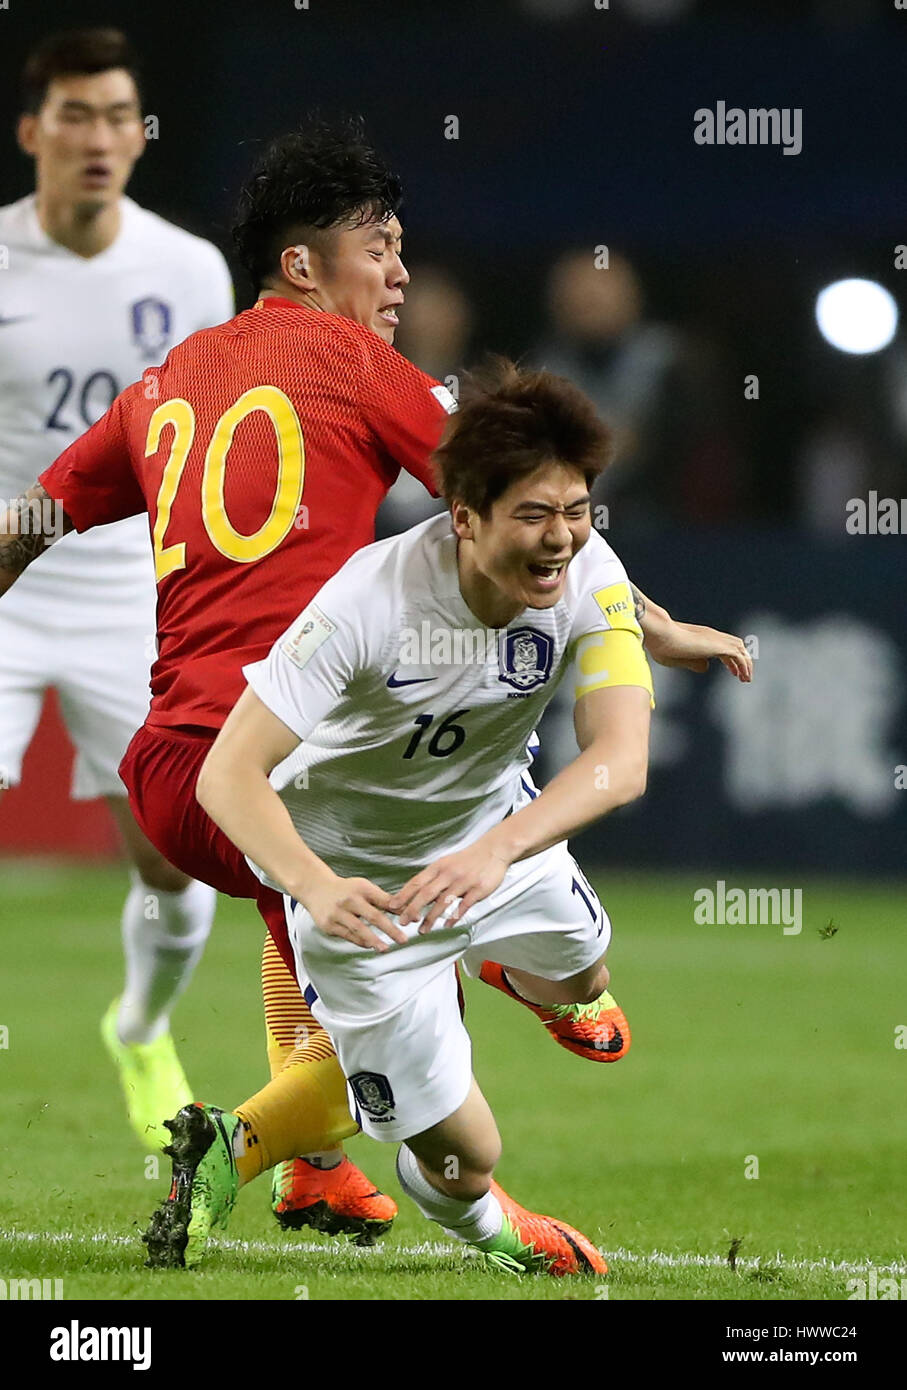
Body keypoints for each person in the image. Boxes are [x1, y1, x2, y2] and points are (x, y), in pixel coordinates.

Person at [0, 121, 752, 1253]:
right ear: (302, 266)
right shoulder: (354, 364)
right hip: (289, 765)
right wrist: (648, 624)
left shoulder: (166, 380)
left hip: (176, 770)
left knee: (307, 911)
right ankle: (284, 1122)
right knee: (400, 1012)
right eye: (380, 247)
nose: (400, 273)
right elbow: (516, 492)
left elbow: (34, 520)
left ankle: (314, 1172)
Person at [175, 360, 657, 1276]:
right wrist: (314, 890)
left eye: (576, 510)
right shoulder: (368, 603)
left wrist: (495, 851)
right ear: (464, 517)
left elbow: (617, 761)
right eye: (533, 515)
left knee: (585, 972)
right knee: (465, 1158)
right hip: (366, 895)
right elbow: (227, 773)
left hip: (492, 838)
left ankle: (523, 976)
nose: (560, 540)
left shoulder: (590, 567)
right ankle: (495, 1234)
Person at [0, 27, 233, 1150]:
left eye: (120, 116)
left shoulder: (190, 272)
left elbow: (217, 446)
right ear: (32, 131)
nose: (101, 137)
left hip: (128, 595)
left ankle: (140, 1024)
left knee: (170, 853)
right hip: (3, 576)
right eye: (77, 116)